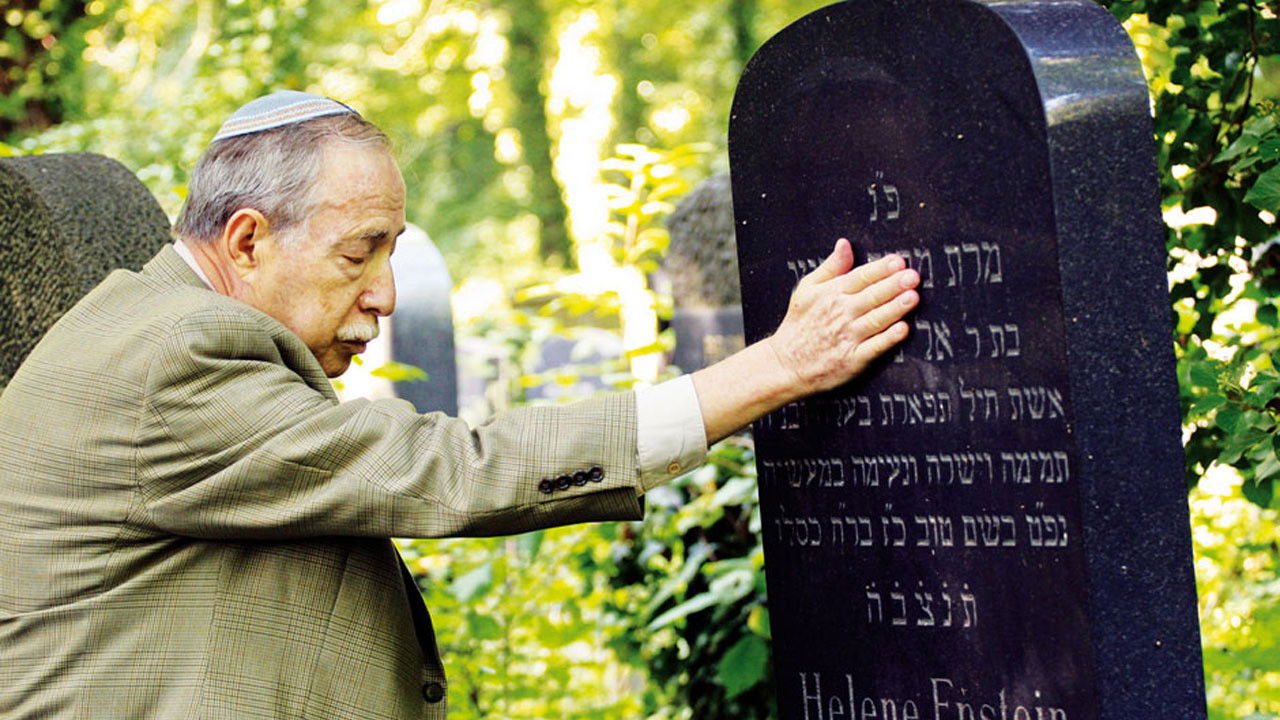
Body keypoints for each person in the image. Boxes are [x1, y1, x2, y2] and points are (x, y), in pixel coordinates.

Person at [0, 91, 920, 719]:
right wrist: (779, 367)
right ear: (247, 239)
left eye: (395, 252)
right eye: (361, 252)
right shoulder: (176, 356)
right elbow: (451, 469)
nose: (386, 294)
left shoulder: (154, 326)